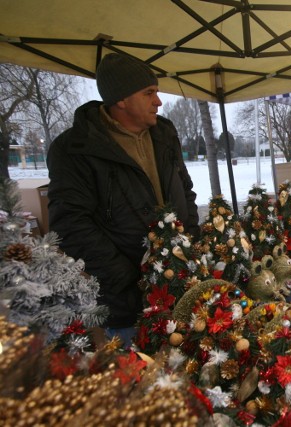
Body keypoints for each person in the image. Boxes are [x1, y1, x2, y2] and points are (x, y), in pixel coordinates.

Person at [47, 53, 200, 347]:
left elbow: (186, 190)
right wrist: (130, 278)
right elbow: (71, 226)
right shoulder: (75, 148)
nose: (159, 101)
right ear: (121, 100)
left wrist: (190, 244)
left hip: (181, 284)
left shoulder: (165, 132)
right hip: (127, 304)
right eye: (149, 93)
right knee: (142, 380)